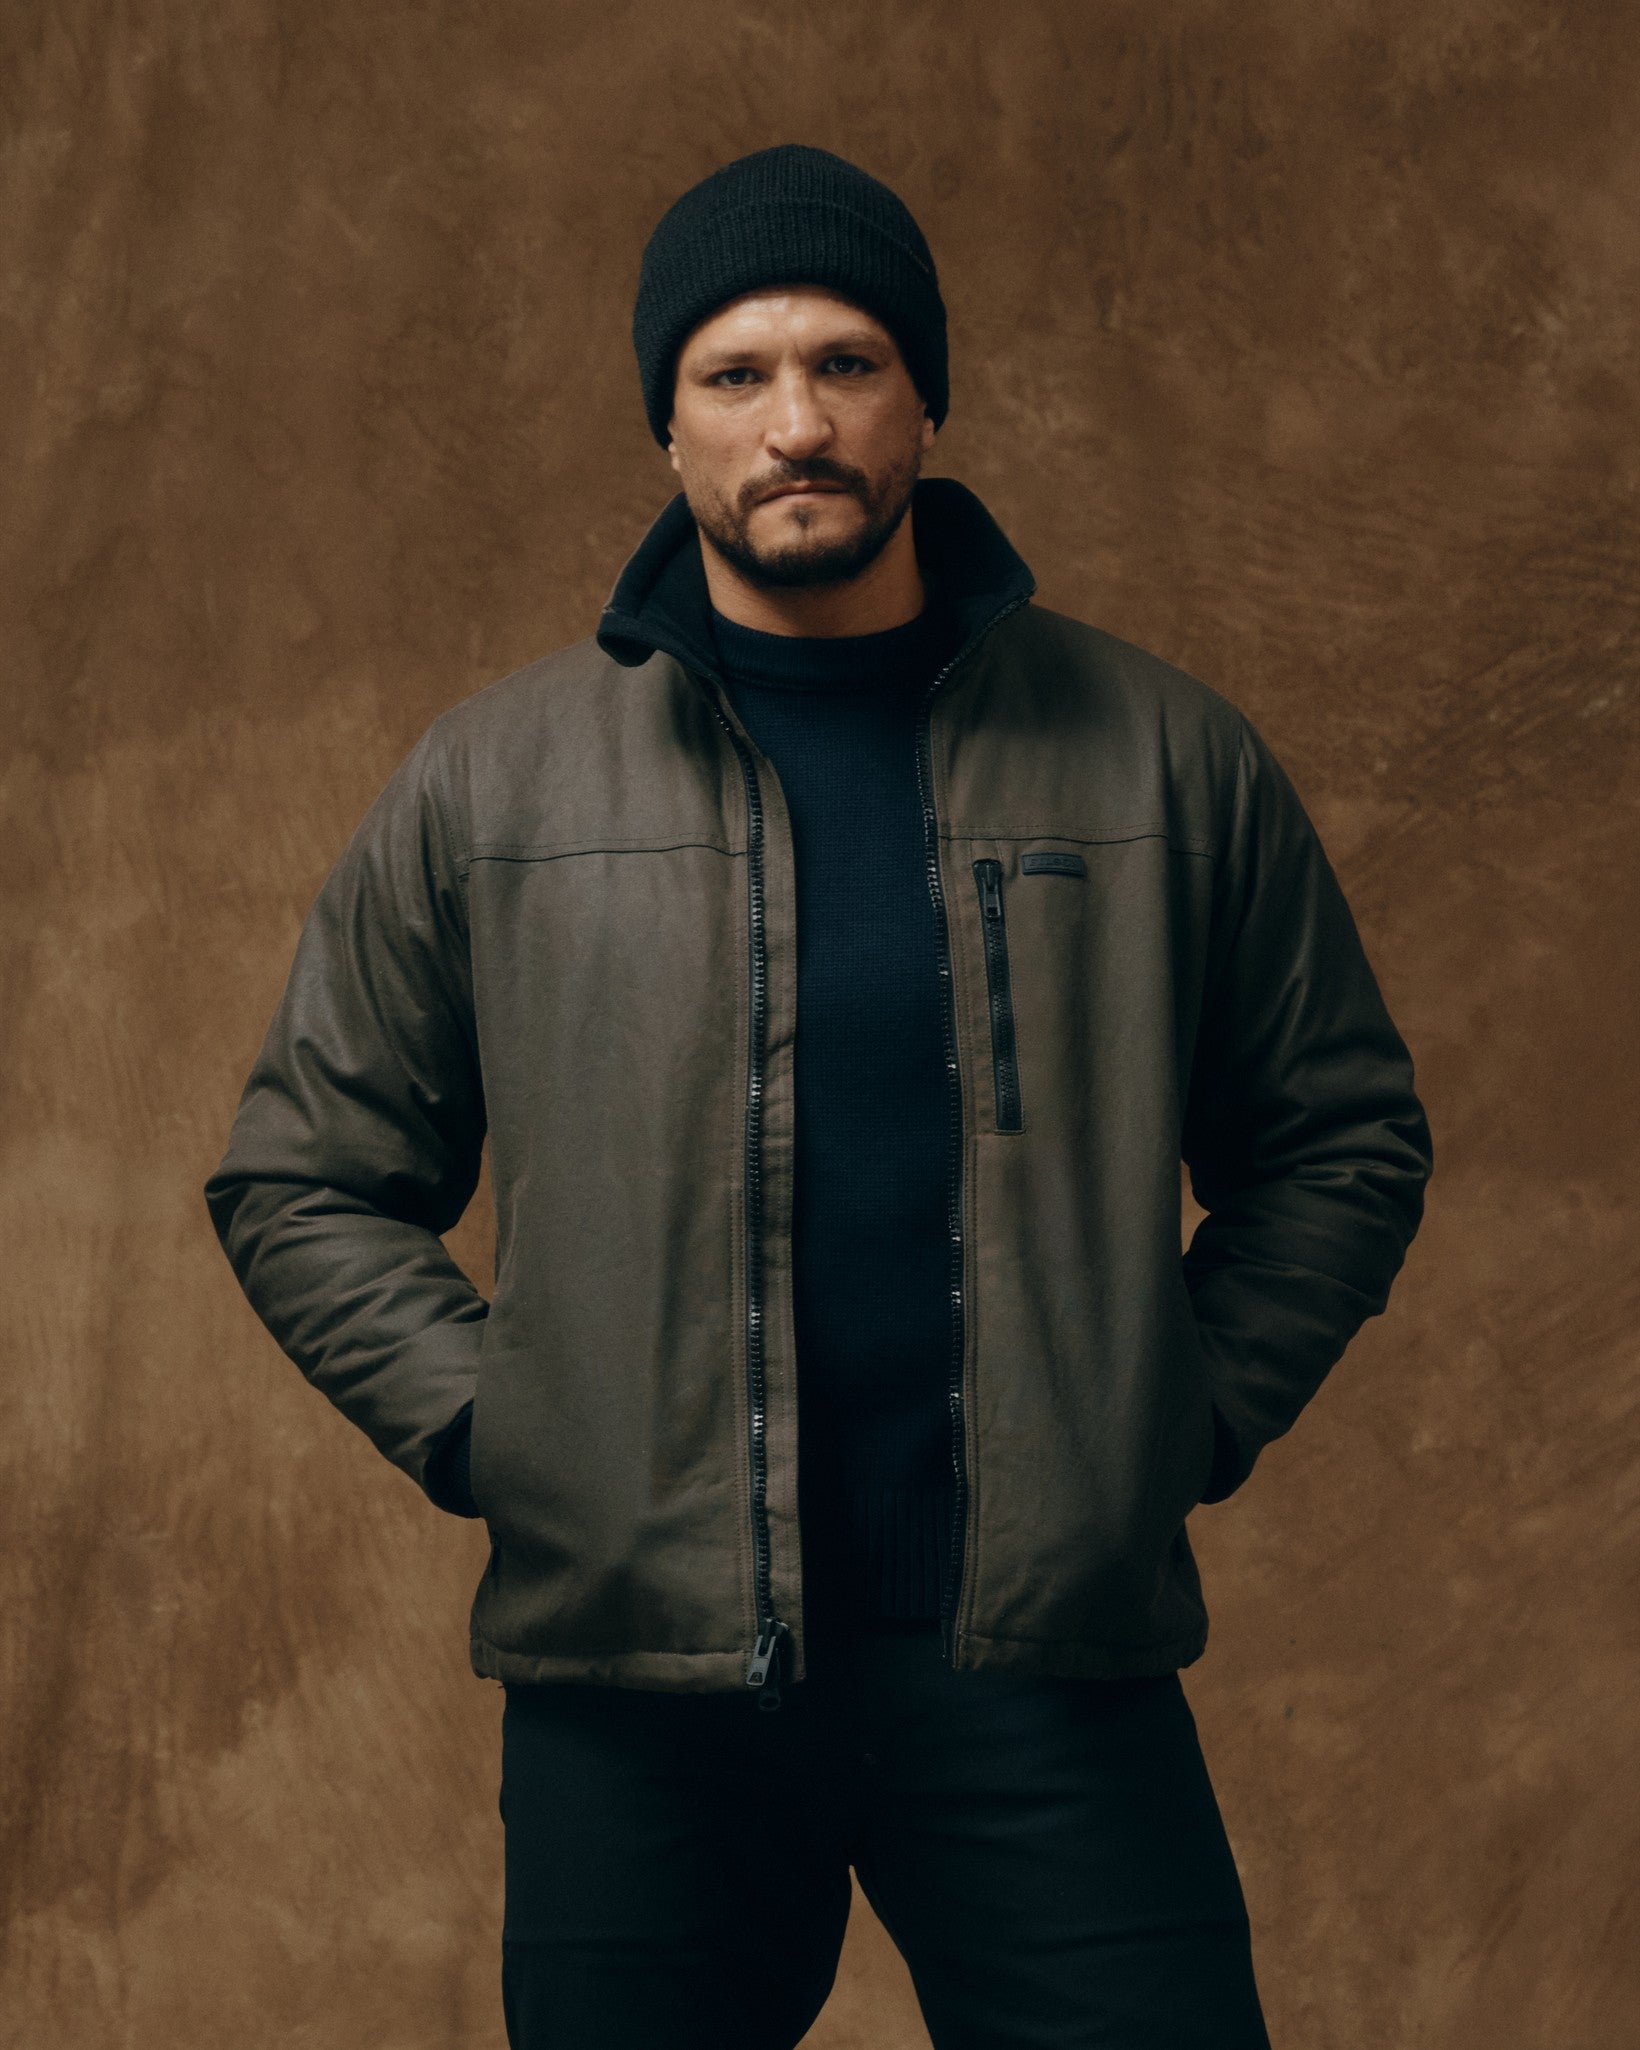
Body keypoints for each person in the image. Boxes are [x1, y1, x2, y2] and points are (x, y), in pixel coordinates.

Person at [205, 144, 1434, 2050]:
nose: (797, 423)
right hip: (643, 1685)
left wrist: (1176, 1409)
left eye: (847, 362)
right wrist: (503, 1430)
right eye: (737, 373)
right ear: (669, 422)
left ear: (924, 399)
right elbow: (303, 1176)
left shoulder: (1160, 756)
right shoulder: (493, 785)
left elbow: (1339, 1134)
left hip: (1042, 1668)